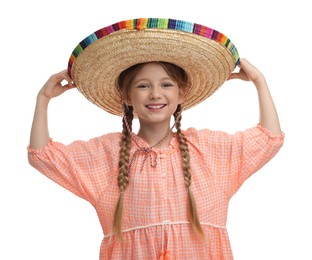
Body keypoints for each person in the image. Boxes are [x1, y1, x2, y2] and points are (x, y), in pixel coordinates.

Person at [28, 18, 284, 259]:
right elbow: (42, 156)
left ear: (181, 93)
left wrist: (260, 82)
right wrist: (43, 99)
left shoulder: (208, 150)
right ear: (127, 97)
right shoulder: (109, 153)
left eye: (166, 84)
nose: (155, 94)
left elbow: (269, 139)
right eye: (142, 86)